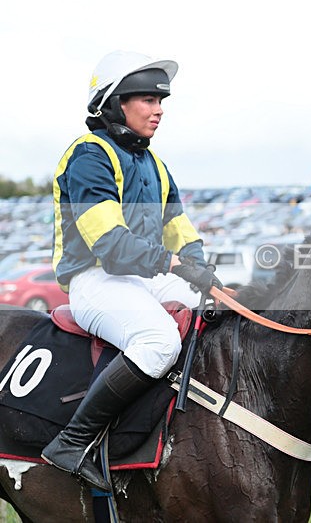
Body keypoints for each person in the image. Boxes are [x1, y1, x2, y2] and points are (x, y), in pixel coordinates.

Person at [41, 50, 222, 492]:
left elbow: (179, 228)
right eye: (147, 99)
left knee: (219, 311)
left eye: (161, 101)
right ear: (114, 102)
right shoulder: (88, 156)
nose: (159, 109)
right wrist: (176, 264)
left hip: (142, 276)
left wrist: (204, 272)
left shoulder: (155, 165)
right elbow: (111, 245)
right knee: (159, 340)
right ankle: (72, 442)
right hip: (95, 279)